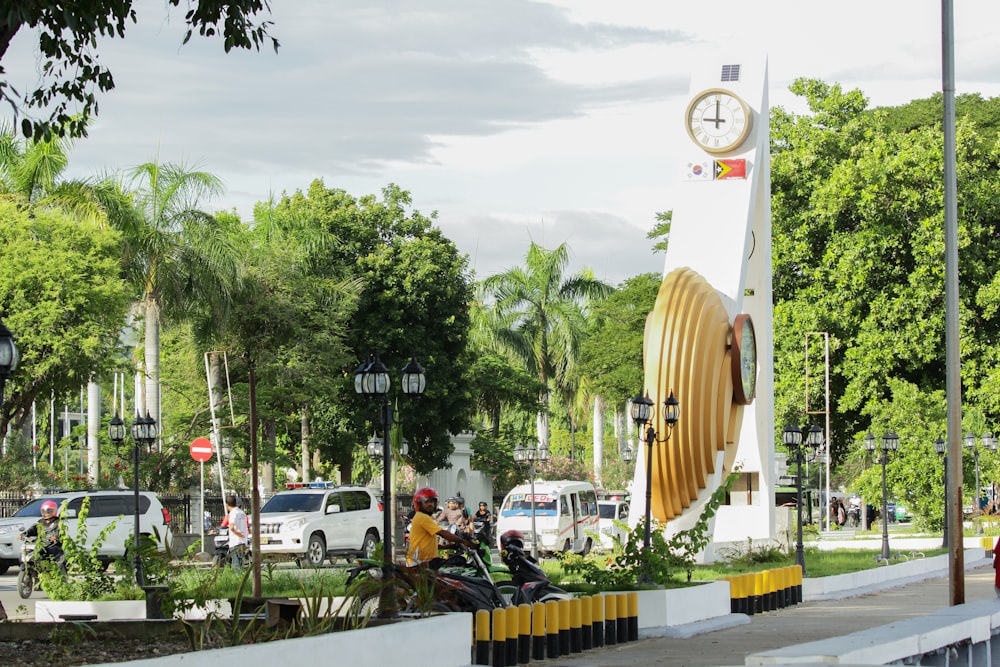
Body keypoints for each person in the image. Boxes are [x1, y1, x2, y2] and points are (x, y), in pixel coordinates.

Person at [407, 487, 472, 565]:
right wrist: (463, 541)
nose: (430, 504)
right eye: (427, 502)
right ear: (419, 503)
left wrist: (448, 547)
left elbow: (427, 544)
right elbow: (442, 533)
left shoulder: (424, 517)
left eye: (432, 502)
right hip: (419, 562)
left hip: (424, 560)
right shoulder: (422, 517)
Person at [225, 494, 250, 571]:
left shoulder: (233, 513)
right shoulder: (241, 513)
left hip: (235, 542)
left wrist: (237, 533)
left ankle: (239, 580)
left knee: (236, 566)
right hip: (243, 542)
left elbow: (231, 527)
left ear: (227, 504)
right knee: (241, 563)